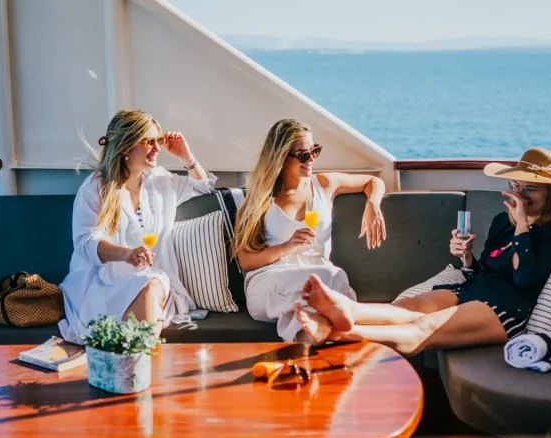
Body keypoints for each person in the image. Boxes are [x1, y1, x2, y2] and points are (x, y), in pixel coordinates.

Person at [295, 147, 551, 355]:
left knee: (423, 328)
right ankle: (344, 310)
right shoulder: (501, 222)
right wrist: (467, 257)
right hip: (477, 289)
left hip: (509, 307)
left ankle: (338, 332)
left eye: (530, 189)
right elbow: (486, 270)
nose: (520, 194)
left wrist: (522, 223)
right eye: (516, 185)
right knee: (404, 309)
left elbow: (525, 280)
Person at [59, 109, 214, 342]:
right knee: (151, 285)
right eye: (148, 141)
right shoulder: (96, 187)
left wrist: (185, 157)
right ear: (125, 147)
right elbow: (85, 242)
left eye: (158, 141)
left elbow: (203, 188)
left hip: (151, 278)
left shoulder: (160, 180)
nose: (157, 148)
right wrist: (127, 254)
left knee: (153, 283)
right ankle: (138, 363)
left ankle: (135, 360)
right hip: (104, 281)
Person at [234, 119, 387, 342]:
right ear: (281, 157)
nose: (311, 159)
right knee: (329, 278)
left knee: (323, 286)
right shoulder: (261, 197)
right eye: (303, 155)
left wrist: (372, 204)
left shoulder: (324, 184)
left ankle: (305, 353)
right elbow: (246, 261)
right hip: (270, 280)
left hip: (318, 277)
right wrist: (287, 247)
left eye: (315, 151)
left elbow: (373, 181)